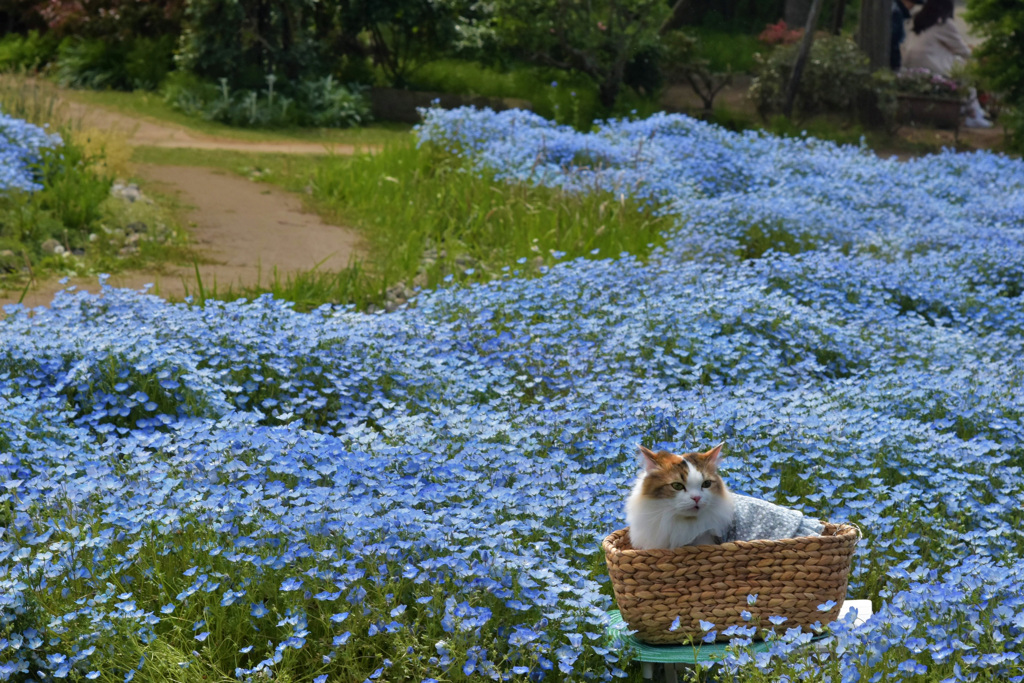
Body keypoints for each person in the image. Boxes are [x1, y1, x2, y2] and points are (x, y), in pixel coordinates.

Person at [902, 0, 992, 128]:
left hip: (910, 68)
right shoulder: (943, 23)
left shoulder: (918, 18)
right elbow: (964, 51)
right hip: (932, 70)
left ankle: (975, 111)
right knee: (963, 68)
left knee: (953, 60)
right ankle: (974, 113)